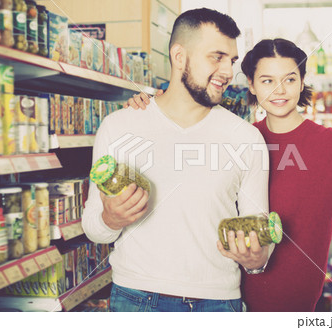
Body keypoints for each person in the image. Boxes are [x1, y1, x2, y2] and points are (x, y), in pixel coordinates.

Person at [128, 38, 332, 312]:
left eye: (289, 79)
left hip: (295, 306)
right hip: (220, 300)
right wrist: (147, 110)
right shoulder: (234, 139)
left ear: (301, 84)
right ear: (252, 85)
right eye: (267, 80)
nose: (279, 90)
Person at [82, 8, 271, 312]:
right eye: (216, 57)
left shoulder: (246, 138)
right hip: (135, 299)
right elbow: (93, 228)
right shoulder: (119, 127)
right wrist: (111, 219)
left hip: (219, 303)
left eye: (232, 61)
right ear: (179, 56)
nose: (227, 71)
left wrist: (258, 258)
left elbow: (259, 230)